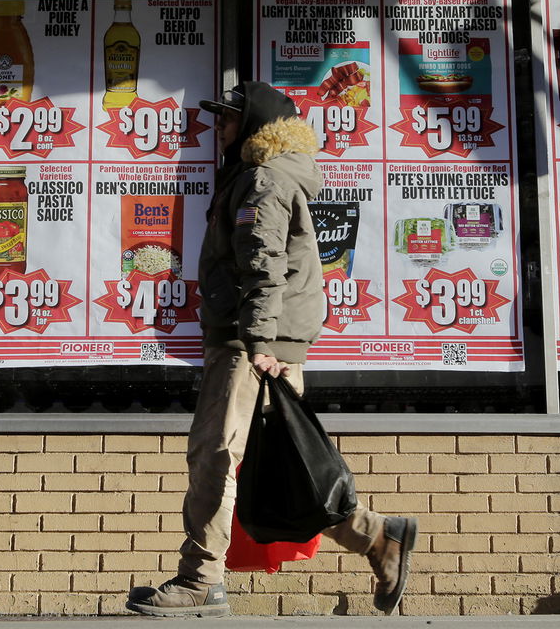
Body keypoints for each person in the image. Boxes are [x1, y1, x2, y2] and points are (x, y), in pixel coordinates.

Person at [126, 81, 418, 618]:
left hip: (250, 343)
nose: (220, 128)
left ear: (256, 125)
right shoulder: (259, 176)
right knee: (284, 464)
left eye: (229, 119)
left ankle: (199, 582)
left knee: (214, 456)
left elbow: (265, 264)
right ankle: (378, 538)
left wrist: (260, 341)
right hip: (259, 339)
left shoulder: (262, 179)